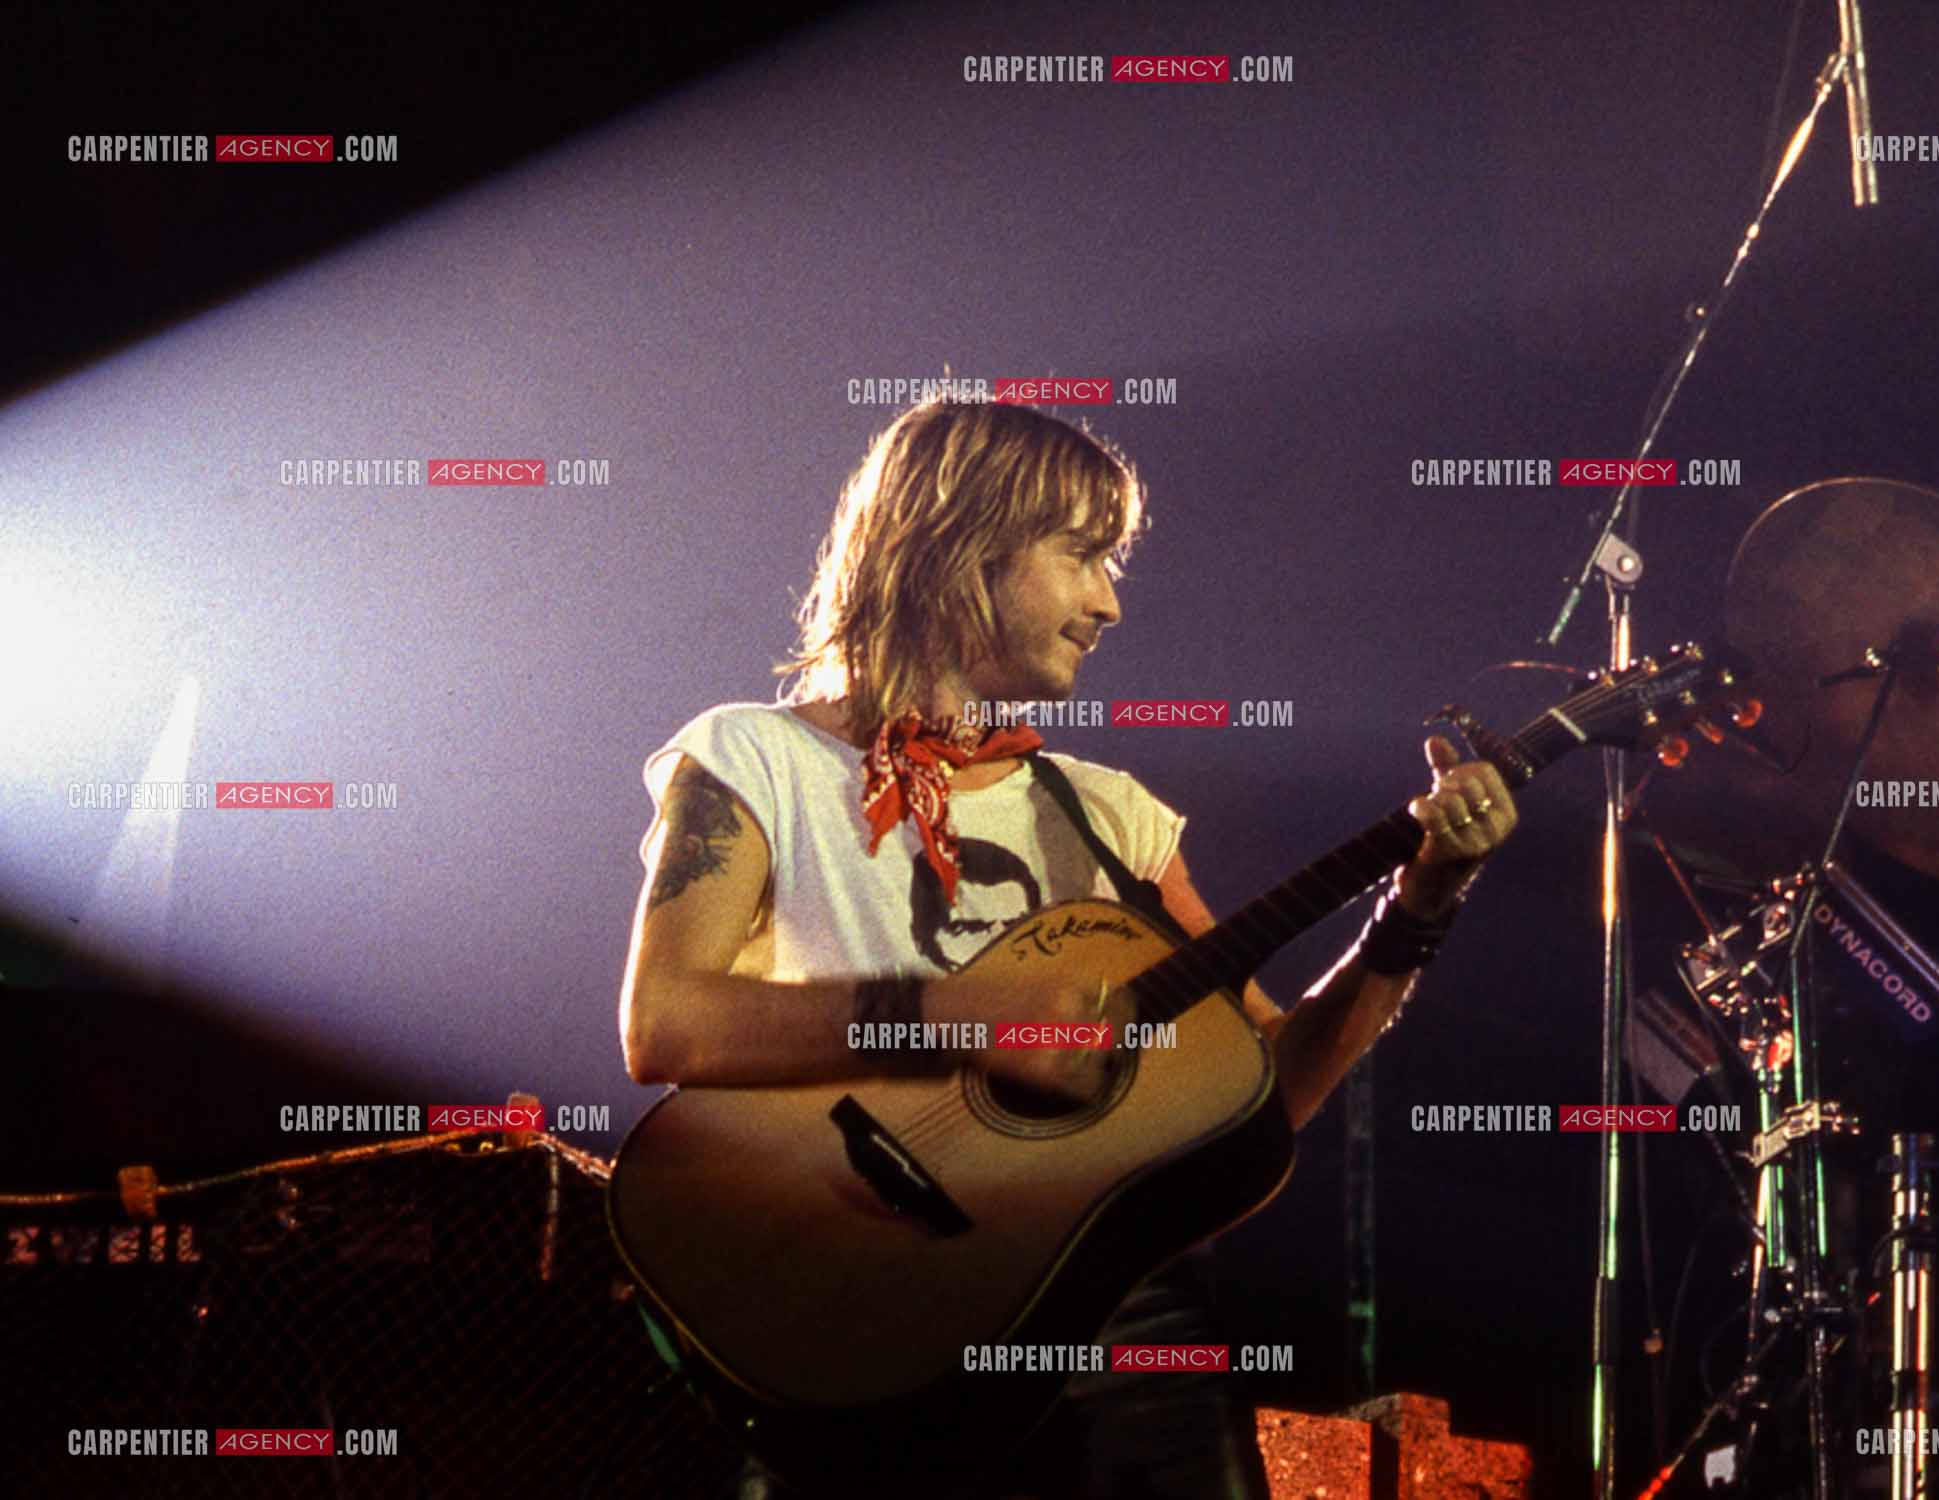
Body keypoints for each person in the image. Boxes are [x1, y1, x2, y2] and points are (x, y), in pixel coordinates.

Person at [618, 398, 1519, 1498]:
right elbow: (666, 1023)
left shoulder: (1110, 815)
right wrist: (968, 1020)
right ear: (961, 543)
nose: (1109, 602)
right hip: (847, 1291)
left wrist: (1422, 902)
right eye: (1081, 556)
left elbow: (1268, 1089)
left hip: (1112, 1335)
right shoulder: (753, 756)